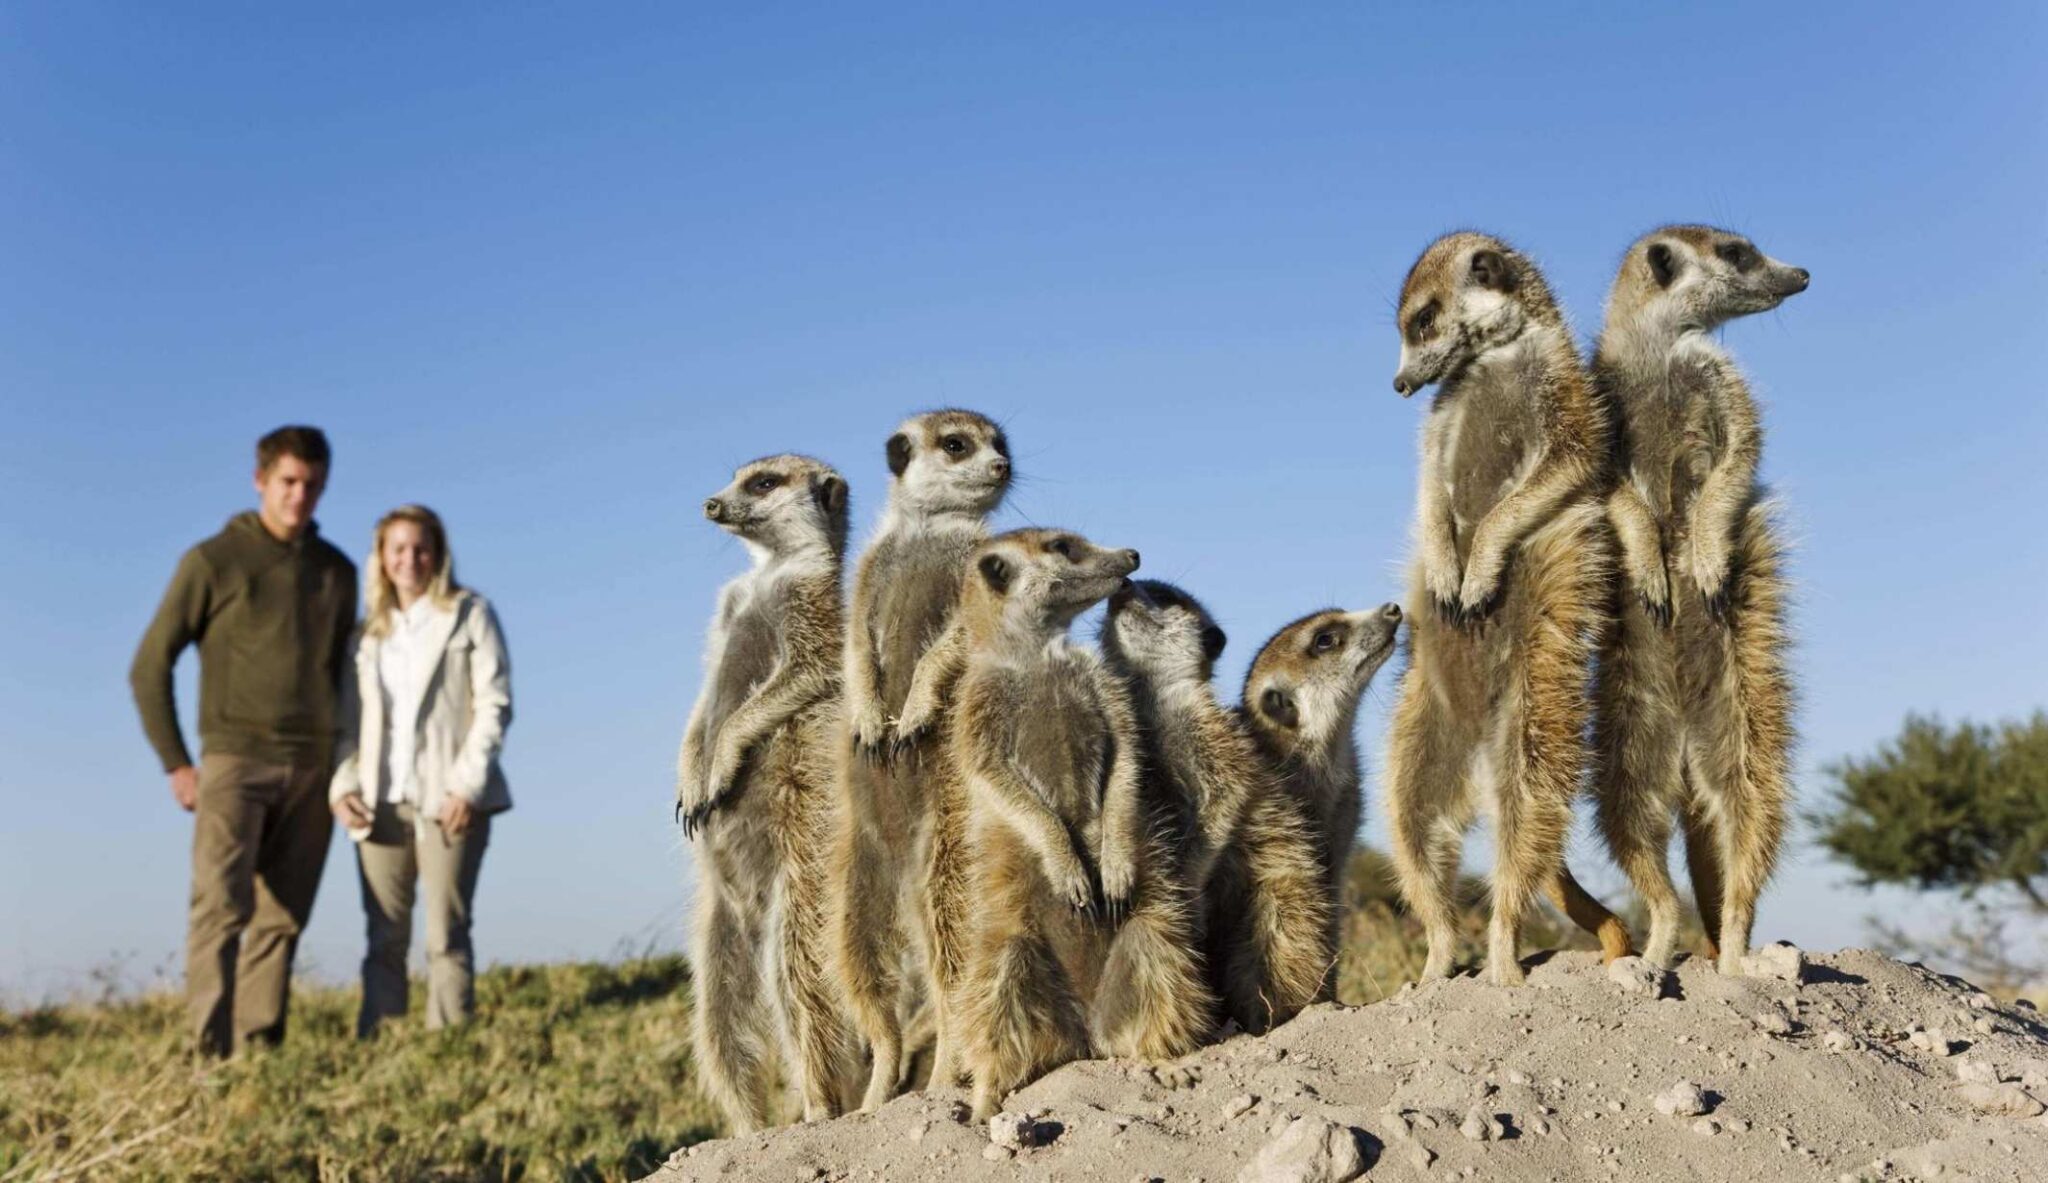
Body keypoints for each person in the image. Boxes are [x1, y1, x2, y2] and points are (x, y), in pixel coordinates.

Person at [129, 425, 358, 1057]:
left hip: (312, 767)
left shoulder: (337, 571)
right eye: (288, 482)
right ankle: (205, 1057)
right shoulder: (212, 561)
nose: (300, 496)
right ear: (260, 480)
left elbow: (346, 677)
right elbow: (149, 664)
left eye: (313, 485)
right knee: (220, 910)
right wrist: (176, 762)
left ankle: (259, 1054)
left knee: (282, 917)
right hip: (233, 760)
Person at [328, 504, 512, 1036]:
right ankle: (379, 1044)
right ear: (382, 558)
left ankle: (448, 1046)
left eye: (420, 547)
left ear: (438, 553)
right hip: (379, 801)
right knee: (383, 936)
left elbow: (494, 703)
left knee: (445, 934)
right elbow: (345, 724)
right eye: (398, 549)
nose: (410, 559)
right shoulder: (365, 637)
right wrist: (342, 787)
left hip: (452, 798)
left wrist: (466, 785)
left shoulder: (470, 612)